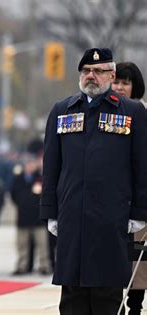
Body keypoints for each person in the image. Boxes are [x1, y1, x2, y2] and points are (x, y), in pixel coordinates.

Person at [41, 48, 147, 315]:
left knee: (106, 298)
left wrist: (140, 212)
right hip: (72, 219)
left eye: (99, 71)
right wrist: (50, 212)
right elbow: (51, 166)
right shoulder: (62, 110)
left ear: (111, 75)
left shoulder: (132, 111)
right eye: (86, 70)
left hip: (110, 220)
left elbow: (142, 167)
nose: (91, 76)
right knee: (72, 299)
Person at [112, 61, 146, 315]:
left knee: (139, 260)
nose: (121, 87)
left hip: (139, 197)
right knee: (113, 257)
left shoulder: (142, 114)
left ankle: (135, 306)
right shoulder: (106, 112)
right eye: (117, 82)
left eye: (126, 83)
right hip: (112, 198)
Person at [11, 152, 50, 275]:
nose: (30, 166)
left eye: (32, 164)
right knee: (22, 245)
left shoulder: (41, 178)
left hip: (38, 217)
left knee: (42, 245)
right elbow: (13, 194)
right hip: (23, 216)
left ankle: (44, 266)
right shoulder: (18, 178)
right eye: (28, 164)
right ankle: (22, 266)